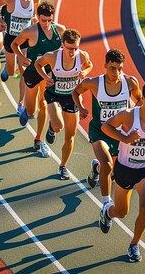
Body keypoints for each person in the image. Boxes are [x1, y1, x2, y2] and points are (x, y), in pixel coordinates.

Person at [99, 81, 145, 263]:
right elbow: (106, 127)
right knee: (122, 212)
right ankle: (107, 212)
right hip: (125, 169)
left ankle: (134, 244)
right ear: (142, 99)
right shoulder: (128, 116)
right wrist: (126, 138)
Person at [71, 49, 141, 205]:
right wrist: (81, 108)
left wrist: (132, 115)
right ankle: (106, 204)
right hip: (100, 131)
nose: (116, 72)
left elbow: (140, 100)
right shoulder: (94, 83)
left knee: (115, 172)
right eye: (112, 68)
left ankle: (96, 169)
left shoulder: (130, 82)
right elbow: (75, 92)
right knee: (108, 165)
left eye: (120, 68)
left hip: (120, 133)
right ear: (105, 65)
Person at [35, 29, 92, 179]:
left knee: (70, 136)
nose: (73, 52)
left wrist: (85, 73)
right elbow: (37, 64)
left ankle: (63, 166)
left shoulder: (82, 56)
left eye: (75, 48)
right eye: (69, 48)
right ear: (62, 45)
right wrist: (45, 76)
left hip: (71, 97)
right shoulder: (52, 57)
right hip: (53, 94)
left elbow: (89, 64)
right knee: (58, 125)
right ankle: (52, 128)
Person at [11, 1, 66, 157]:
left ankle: (38, 139)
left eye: (49, 20)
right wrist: (22, 58)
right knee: (31, 110)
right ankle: (26, 112)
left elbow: (70, 46)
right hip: (33, 73)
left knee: (44, 104)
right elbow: (15, 44)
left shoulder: (60, 30)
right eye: (43, 20)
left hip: (49, 74)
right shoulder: (30, 31)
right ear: (37, 18)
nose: (47, 24)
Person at [0, 0, 40, 113]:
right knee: (12, 72)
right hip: (10, 39)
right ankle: (8, 68)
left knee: (24, 70)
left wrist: (34, 20)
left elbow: (34, 15)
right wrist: (0, 21)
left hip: (25, 41)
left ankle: (21, 103)